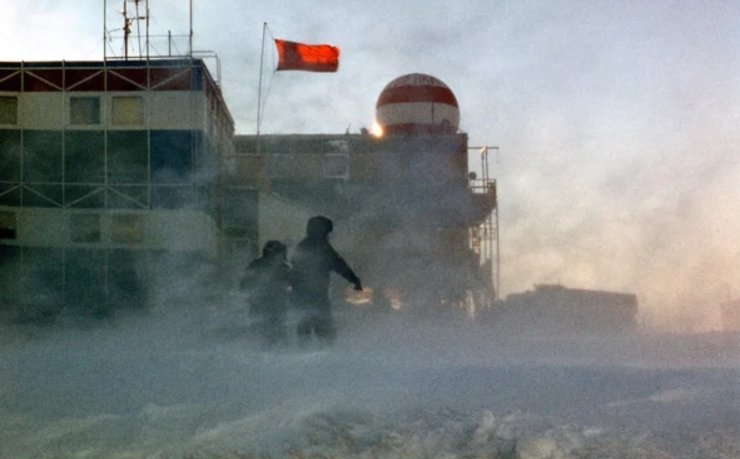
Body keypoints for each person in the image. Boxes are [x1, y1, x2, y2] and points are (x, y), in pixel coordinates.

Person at [290, 216, 362, 345]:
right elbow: (338, 264)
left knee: (304, 328)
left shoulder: (301, 246)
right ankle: (324, 356)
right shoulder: (322, 247)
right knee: (324, 329)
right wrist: (354, 279)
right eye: (327, 232)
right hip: (317, 295)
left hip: (301, 296)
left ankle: (304, 356)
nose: (328, 236)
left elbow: (294, 271)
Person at [240, 240, 291, 346]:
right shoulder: (256, 266)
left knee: (277, 338)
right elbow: (244, 285)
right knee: (261, 338)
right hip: (261, 308)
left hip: (277, 309)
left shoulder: (283, 268)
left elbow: (291, 286)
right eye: (280, 254)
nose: (281, 257)